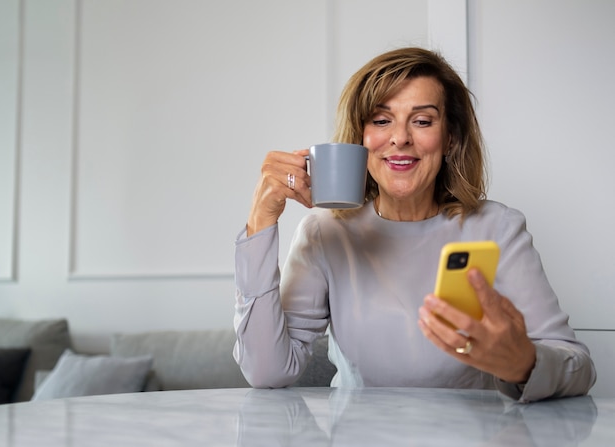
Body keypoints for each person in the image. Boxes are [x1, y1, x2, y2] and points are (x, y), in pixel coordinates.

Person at [233, 47, 596, 402]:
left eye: (422, 121)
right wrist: (260, 222)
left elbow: (579, 367)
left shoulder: (497, 228)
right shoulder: (325, 232)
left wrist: (523, 363)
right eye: (380, 120)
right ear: (361, 138)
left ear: (450, 138)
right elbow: (267, 372)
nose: (400, 138)